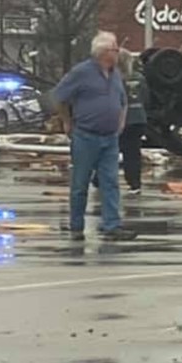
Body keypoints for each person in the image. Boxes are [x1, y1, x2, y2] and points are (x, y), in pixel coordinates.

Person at [55, 31, 136, 241]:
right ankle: (76, 225)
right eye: (114, 49)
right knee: (80, 183)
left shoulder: (116, 74)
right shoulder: (81, 72)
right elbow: (60, 97)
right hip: (85, 136)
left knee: (111, 182)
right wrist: (67, 121)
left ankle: (112, 225)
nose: (118, 53)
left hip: (110, 138)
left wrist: (121, 121)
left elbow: (122, 100)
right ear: (102, 52)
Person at [117, 48, 147, 196]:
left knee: (109, 151)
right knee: (133, 152)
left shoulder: (115, 79)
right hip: (139, 118)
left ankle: (99, 179)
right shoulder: (140, 78)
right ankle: (135, 183)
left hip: (121, 120)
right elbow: (146, 97)